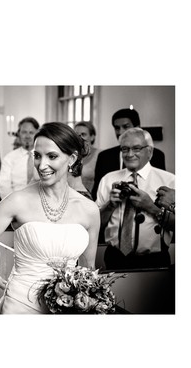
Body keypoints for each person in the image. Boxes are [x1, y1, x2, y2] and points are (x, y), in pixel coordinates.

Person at [0, 122, 101, 314]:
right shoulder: (17, 201)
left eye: (52, 156)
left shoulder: (89, 210)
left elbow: (89, 270)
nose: (42, 164)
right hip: (20, 305)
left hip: (66, 310)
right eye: (37, 156)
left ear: (72, 158)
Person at [96, 128, 175, 270]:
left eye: (136, 148)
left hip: (155, 260)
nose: (129, 154)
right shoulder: (108, 179)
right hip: (115, 258)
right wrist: (110, 205)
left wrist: (150, 206)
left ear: (149, 151)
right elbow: (95, 225)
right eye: (125, 149)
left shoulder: (169, 181)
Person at [92, 108, 166, 200]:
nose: (120, 132)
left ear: (138, 128)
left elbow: (161, 188)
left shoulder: (157, 155)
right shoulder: (104, 156)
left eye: (126, 126)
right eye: (117, 128)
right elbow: (96, 194)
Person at [0, 117, 40, 200]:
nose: (27, 136)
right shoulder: (9, 158)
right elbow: (4, 186)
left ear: (37, 134)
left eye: (31, 132)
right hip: (15, 203)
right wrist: (14, 204)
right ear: (19, 134)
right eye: (24, 132)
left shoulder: (44, 156)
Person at [73, 121, 99, 195]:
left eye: (83, 134)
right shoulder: (70, 156)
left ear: (92, 137)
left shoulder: (101, 155)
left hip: (92, 198)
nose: (79, 138)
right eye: (76, 135)